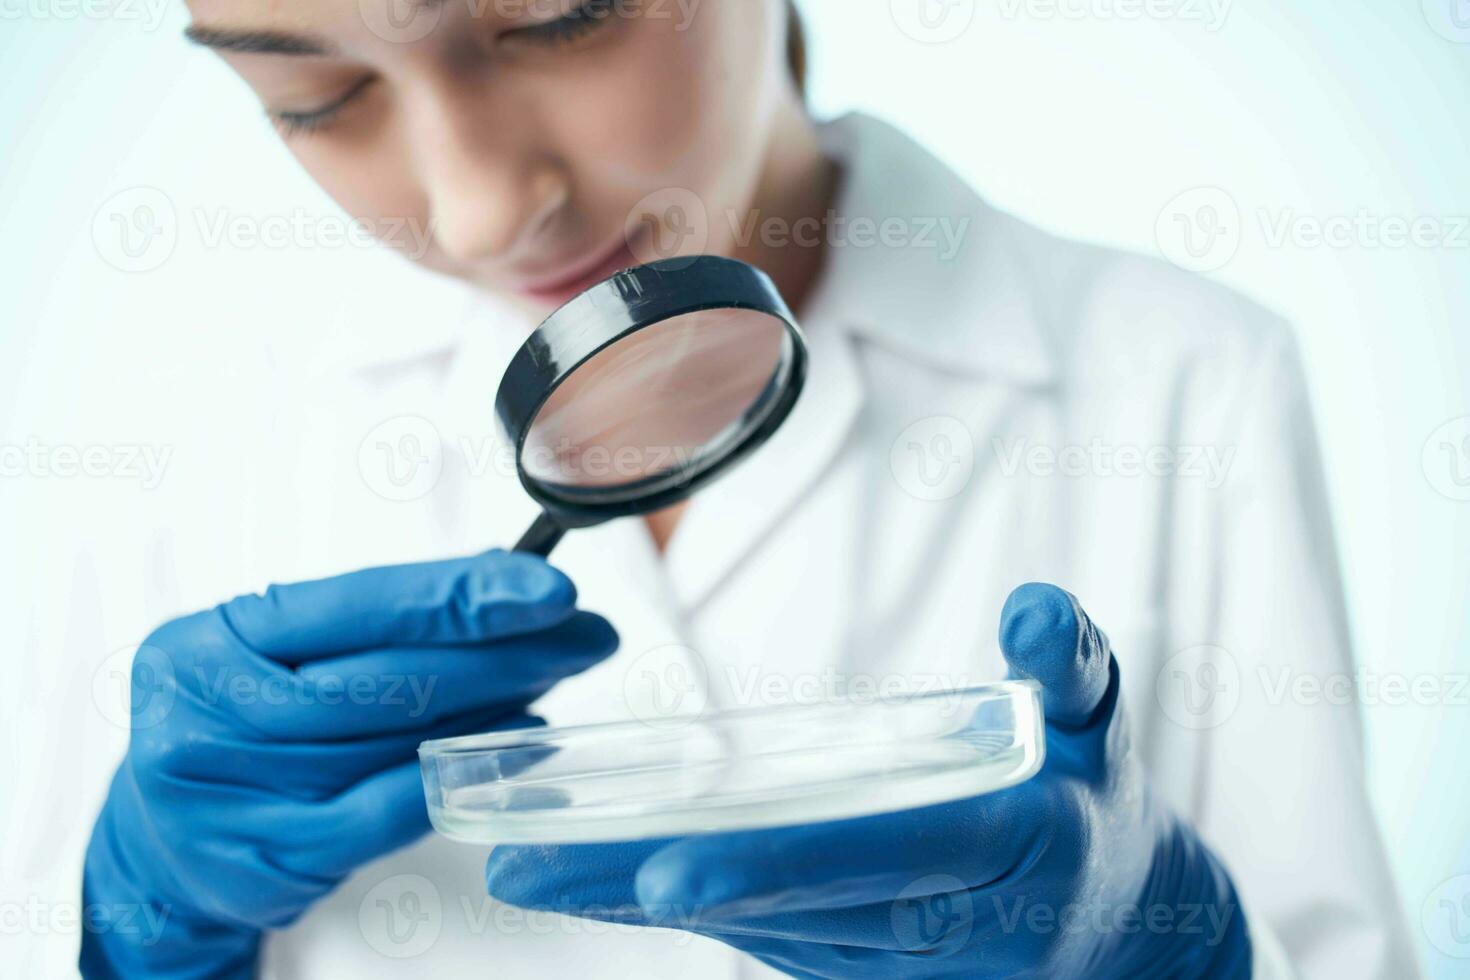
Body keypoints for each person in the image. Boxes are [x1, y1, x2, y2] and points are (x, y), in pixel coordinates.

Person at [76, 0, 1415, 976]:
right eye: (312, 98)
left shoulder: (1182, 374)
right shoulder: (202, 430)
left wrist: (1173, 956)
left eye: (556, 21)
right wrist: (139, 934)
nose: (481, 209)